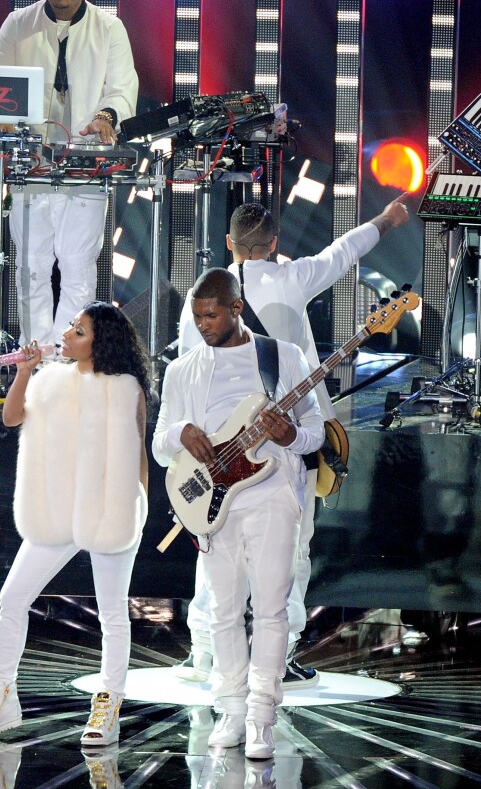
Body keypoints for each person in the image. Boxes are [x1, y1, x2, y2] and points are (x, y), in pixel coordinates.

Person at [175, 195, 411, 686]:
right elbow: (343, 252)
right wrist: (387, 219)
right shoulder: (291, 278)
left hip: (220, 450)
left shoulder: (203, 299)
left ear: (229, 244)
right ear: (274, 243)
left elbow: (187, 375)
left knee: (213, 542)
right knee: (291, 552)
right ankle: (279, 656)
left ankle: (202, 654)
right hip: (285, 444)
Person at [152, 268, 324, 759]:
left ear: (236, 308)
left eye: (211, 316)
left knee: (270, 609)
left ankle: (262, 717)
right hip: (210, 503)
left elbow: (314, 427)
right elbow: (161, 441)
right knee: (224, 611)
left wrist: (291, 436)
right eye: (196, 316)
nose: (202, 325)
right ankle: (229, 708)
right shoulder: (181, 369)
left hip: (271, 495)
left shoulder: (281, 358)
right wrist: (183, 431)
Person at [0, 302, 150, 746]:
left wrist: (136, 508)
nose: (68, 334)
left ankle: (108, 703)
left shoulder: (125, 388)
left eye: (79, 330)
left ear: (99, 343)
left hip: (111, 507)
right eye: (71, 326)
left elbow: (138, 454)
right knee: (12, 597)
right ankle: (2, 695)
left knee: (111, 613)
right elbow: (11, 417)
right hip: (57, 510)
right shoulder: (50, 381)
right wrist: (25, 371)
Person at [0, 0, 138, 346]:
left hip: (86, 165)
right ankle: (34, 355)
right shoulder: (18, 23)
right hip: (30, 163)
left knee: (77, 266)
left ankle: (68, 358)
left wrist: (106, 116)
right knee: (31, 266)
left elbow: (123, 89)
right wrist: (0, 118)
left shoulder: (110, 29)